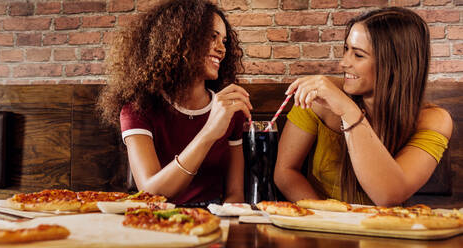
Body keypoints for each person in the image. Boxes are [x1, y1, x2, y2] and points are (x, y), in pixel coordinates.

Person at [274, 7, 453, 206]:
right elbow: (285, 172)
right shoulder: (318, 96)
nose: (343, 63)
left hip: (384, 230)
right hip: (321, 225)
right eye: (346, 49)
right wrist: (326, 216)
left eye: (358, 55)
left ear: (394, 64)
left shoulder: (434, 119)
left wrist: (349, 111)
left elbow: (389, 195)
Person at [97, 0, 252, 205]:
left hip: (214, 223)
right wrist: (209, 132)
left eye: (224, 41)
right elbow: (151, 192)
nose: (221, 49)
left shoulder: (230, 109)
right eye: (212, 37)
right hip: (154, 221)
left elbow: (235, 195)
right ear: (179, 40)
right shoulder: (137, 110)